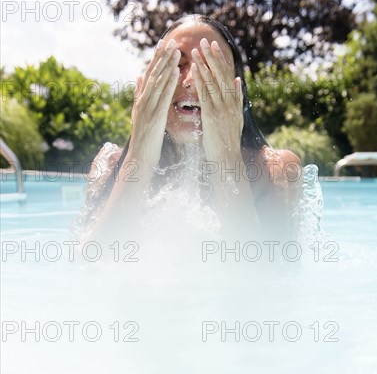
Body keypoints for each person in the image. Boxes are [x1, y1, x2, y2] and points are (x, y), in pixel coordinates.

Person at [73, 14, 301, 242]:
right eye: (178, 64)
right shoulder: (110, 165)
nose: (191, 80)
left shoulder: (274, 172)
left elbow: (264, 276)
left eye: (210, 67)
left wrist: (226, 156)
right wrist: (139, 157)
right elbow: (91, 269)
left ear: (236, 90)